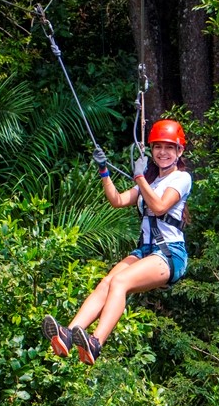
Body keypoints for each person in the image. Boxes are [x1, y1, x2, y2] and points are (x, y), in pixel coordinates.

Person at [42, 119, 192, 365]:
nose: (162, 153)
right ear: (152, 151)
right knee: (107, 282)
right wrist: (104, 172)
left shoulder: (181, 178)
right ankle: (68, 334)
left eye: (169, 147)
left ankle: (96, 342)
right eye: (158, 147)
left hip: (169, 254)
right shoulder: (152, 182)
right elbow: (118, 200)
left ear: (179, 151)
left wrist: (140, 177)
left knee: (120, 282)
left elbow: (159, 205)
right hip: (146, 251)